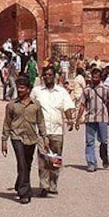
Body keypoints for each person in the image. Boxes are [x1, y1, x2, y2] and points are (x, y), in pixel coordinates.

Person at [1, 76, 48, 204]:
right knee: (21, 163)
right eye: (18, 88)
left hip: (32, 137)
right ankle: (24, 193)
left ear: (28, 89)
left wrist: (45, 137)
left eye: (22, 88)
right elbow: (7, 123)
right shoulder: (11, 105)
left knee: (27, 164)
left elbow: (41, 122)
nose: (20, 90)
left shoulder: (36, 105)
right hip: (16, 137)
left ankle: (19, 183)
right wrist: (4, 140)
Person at [31, 66, 75, 196]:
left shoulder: (61, 92)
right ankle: (44, 185)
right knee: (43, 158)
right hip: (42, 130)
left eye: (50, 75)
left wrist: (70, 120)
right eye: (45, 75)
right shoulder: (36, 91)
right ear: (42, 77)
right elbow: (29, 106)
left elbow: (67, 107)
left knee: (55, 158)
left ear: (54, 76)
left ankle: (53, 184)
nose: (47, 77)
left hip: (57, 129)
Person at [74, 67, 109, 172]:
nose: (94, 78)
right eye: (93, 76)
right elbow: (82, 105)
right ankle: (91, 163)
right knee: (90, 142)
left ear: (100, 77)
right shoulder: (87, 90)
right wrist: (78, 119)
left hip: (103, 118)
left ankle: (104, 158)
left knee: (104, 140)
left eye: (97, 76)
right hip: (90, 118)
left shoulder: (106, 89)